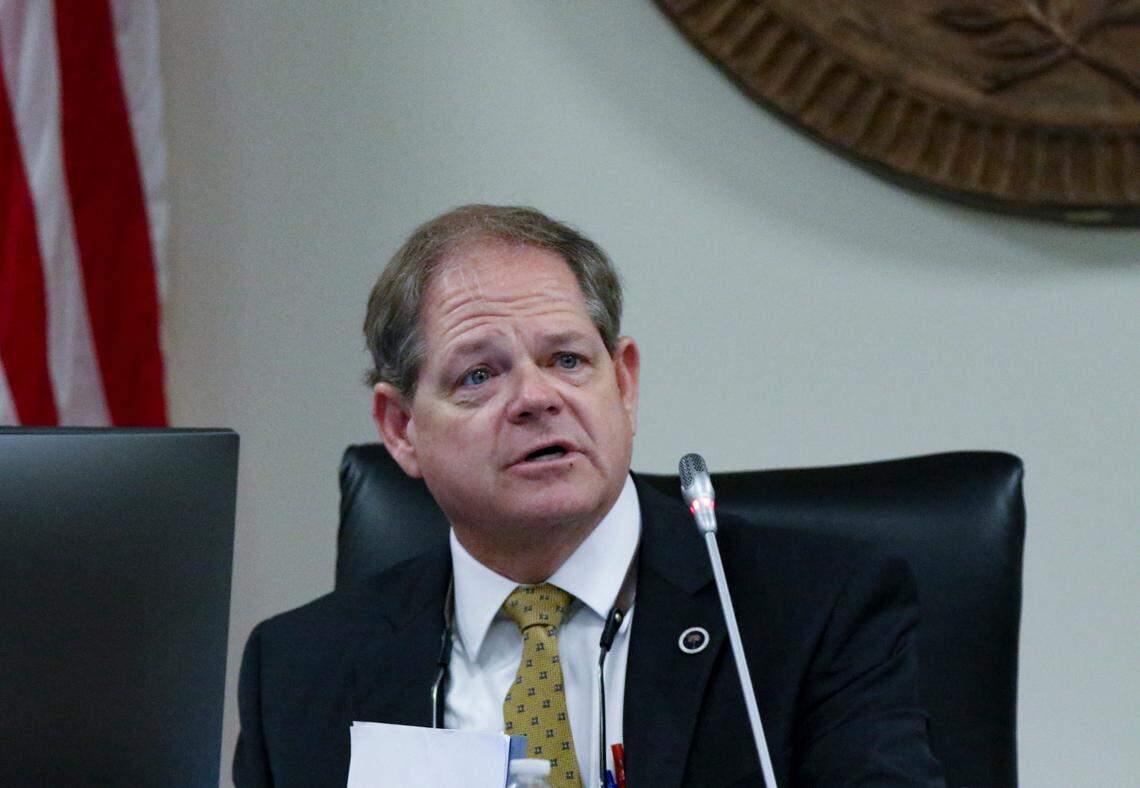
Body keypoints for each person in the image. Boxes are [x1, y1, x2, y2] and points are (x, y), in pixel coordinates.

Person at [234, 205, 944, 787]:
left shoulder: (817, 611)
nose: (536, 397)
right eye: (479, 375)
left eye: (567, 359)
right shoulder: (298, 670)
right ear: (401, 429)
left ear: (624, 384)